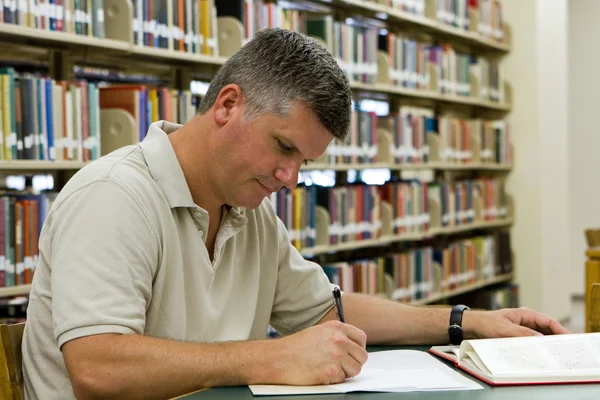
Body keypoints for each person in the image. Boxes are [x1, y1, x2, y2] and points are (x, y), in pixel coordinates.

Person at [21, 28, 569, 400]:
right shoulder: (115, 195)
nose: (291, 179)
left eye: (304, 161)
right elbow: (96, 366)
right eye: (284, 148)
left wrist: (464, 322)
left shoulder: (248, 210)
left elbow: (324, 311)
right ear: (229, 104)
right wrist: (267, 358)